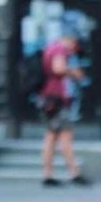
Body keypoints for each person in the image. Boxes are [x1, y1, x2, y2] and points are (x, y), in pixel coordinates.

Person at [39, 29, 90, 187]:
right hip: (58, 99)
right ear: (71, 40)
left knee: (51, 137)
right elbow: (58, 68)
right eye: (74, 45)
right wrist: (75, 73)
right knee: (65, 136)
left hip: (49, 98)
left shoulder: (49, 48)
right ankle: (74, 173)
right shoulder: (59, 49)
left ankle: (48, 174)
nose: (73, 50)